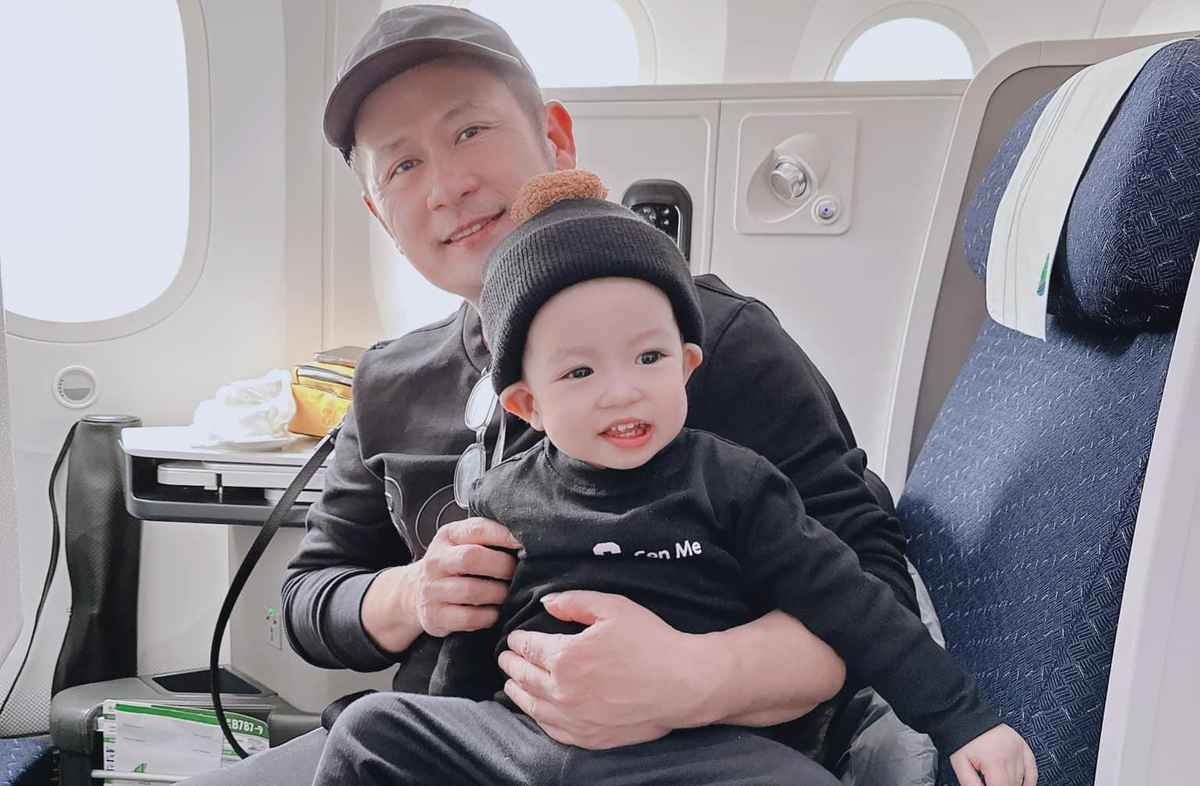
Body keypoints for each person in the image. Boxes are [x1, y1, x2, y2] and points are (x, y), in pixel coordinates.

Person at [185, 5, 935, 783]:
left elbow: (875, 586)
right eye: (402, 167)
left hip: (692, 755)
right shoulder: (386, 382)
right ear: (379, 212)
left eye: (470, 131)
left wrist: (692, 678)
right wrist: (411, 595)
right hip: (437, 745)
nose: (447, 186)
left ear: (557, 139)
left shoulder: (715, 339)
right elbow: (305, 599)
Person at [309, 170, 1038, 786]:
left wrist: (964, 723)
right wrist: (447, 743)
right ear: (528, 404)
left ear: (688, 365)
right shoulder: (501, 498)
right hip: (523, 745)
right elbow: (469, 653)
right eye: (580, 371)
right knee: (369, 730)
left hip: (695, 754)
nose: (622, 390)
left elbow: (856, 607)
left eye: (649, 358)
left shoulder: (735, 483)